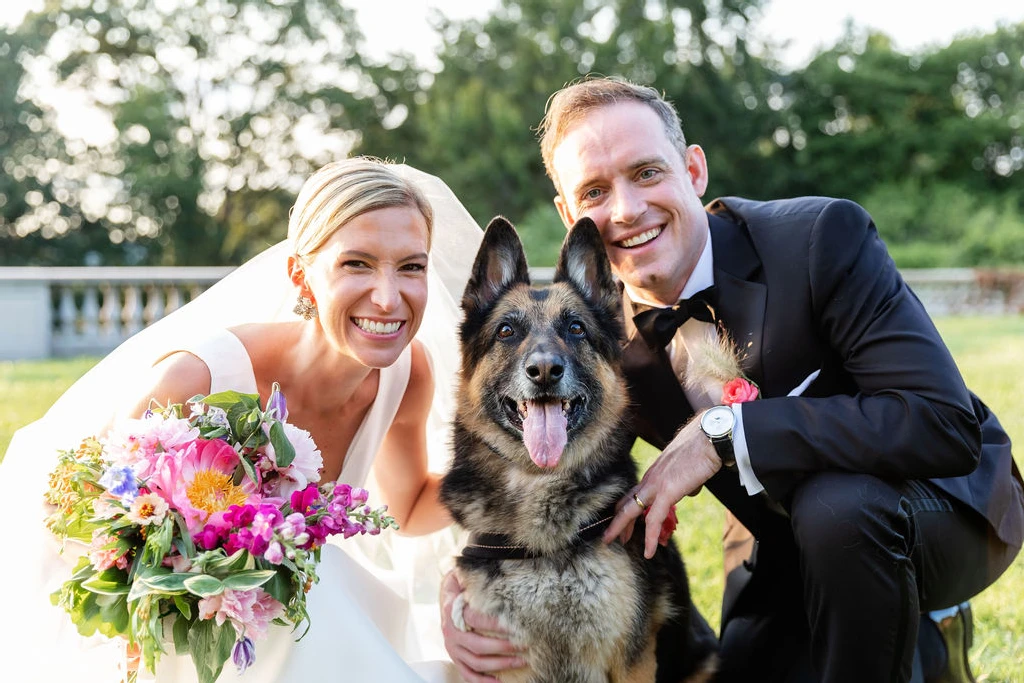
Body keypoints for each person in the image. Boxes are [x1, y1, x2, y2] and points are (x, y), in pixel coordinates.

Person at [440, 77, 1024, 683]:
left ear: (693, 170)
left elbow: (943, 423)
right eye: (594, 190)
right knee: (737, 671)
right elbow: (518, 479)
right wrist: (463, 588)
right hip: (779, 539)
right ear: (569, 215)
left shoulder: (820, 239)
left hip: (940, 506)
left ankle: (935, 626)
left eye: (646, 173)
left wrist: (726, 430)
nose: (626, 209)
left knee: (840, 510)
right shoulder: (594, 342)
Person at [0, 158, 481, 682]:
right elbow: (74, 514)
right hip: (182, 636)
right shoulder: (199, 378)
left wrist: (528, 473)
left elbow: (408, 509)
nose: (389, 298)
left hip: (298, 623)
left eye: (411, 267)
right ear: (302, 274)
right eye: (357, 264)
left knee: (325, 592)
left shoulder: (408, 376)